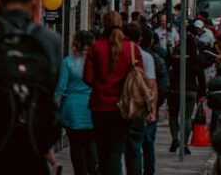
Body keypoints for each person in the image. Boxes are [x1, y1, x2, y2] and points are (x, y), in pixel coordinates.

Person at [0, 0, 62, 174]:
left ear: (0, 0)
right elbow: (51, 88)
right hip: (33, 149)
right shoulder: (49, 41)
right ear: (35, 2)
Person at [84, 10, 144, 175]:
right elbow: (140, 76)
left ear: (104, 24)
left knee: (103, 151)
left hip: (100, 106)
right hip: (123, 107)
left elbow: (88, 78)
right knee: (116, 150)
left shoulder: (96, 48)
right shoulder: (131, 48)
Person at [56, 30, 98, 175]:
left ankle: (80, 172)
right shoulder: (97, 61)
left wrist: (54, 110)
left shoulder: (68, 62)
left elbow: (60, 89)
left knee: (76, 145)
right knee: (91, 143)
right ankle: (93, 169)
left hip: (72, 109)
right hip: (92, 108)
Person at [123, 23, 156, 175]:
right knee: (135, 147)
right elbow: (150, 85)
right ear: (140, 39)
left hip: (120, 105)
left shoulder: (118, 52)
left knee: (116, 148)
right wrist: (152, 110)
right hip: (138, 106)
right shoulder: (146, 57)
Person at [167, 32, 206, 155]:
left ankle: (175, 138)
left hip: (175, 89)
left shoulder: (176, 54)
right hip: (191, 90)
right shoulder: (195, 57)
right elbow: (201, 77)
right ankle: (184, 143)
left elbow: (168, 69)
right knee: (187, 117)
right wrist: (201, 93)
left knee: (173, 115)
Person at [140, 26, 166, 175]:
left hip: (135, 106)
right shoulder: (155, 58)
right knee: (148, 142)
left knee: (134, 144)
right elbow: (162, 85)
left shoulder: (152, 58)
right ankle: (148, 171)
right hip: (150, 105)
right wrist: (156, 106)